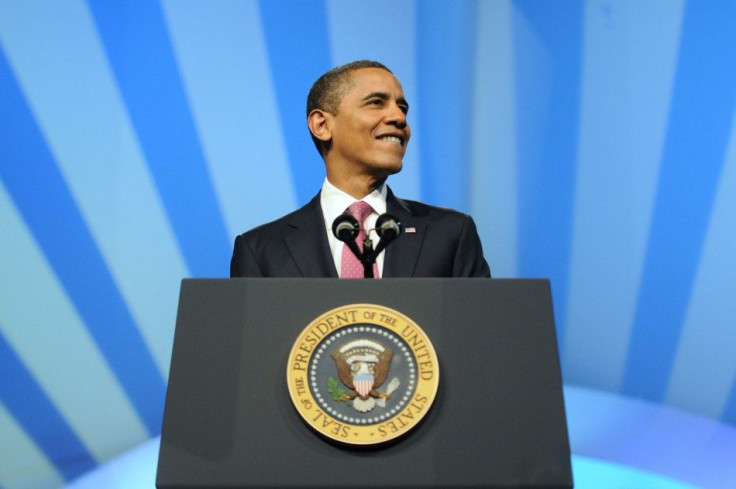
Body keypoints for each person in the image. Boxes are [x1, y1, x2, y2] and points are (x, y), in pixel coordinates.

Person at [230, 60, 490, 278]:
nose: (399, 118)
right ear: (322, 125)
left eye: (402, 108)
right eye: (376, 102)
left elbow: (479, 332)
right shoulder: (261, 249)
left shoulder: (450, 233)